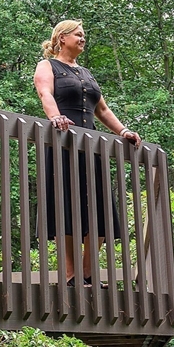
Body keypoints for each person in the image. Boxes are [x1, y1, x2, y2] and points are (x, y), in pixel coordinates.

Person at [34, 19, 141, 287]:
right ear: (61, 38)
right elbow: (45, 93)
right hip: (62, 144)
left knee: (101, 207)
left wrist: (123, 131)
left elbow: (102, 110)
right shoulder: (47, 66)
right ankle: (71, 276)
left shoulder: (86, 73)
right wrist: (56, 117)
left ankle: (87, 272)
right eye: (78, 34)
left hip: (92, 148)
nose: (83, 39)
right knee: (66, 207)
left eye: (84, 35)